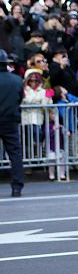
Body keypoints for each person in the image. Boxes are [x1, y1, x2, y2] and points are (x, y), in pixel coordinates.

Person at [0, 50, 23, 197]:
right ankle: (16, 186)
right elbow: (20, 98)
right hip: (10, 119)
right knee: (15, 154)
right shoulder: (16, 79)